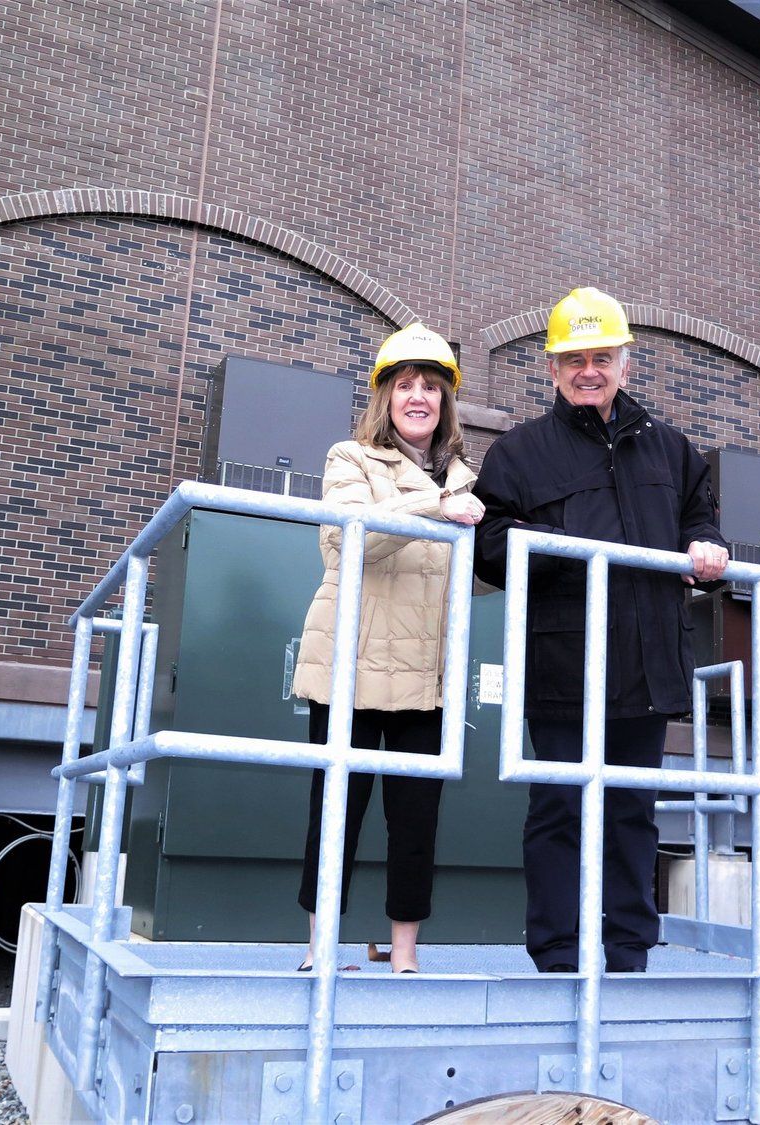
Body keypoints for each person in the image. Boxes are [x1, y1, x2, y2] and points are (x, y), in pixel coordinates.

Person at [472, 287, 729, 973]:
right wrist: (554, 544)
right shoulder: (519, 454)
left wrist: (707, 547)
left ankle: (627, 953)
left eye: (602, 357)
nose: (590, 369)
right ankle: (557, 952)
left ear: (625, 364)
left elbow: (701, 523)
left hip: (647, 669)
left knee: (631, 812)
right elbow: (488, 546)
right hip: (563, 665)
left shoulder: (673, 453)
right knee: (558, 808)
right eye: (574, 358)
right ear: (552, 369)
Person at [292, 323, 485, 974]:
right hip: (348, 661)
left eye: (431, 386)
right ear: (385, 396)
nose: (419, 396)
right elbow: (355, 541)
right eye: (405, 384)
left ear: (446, 402)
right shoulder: (350, 459)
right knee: (335, 813)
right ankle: (320, 949)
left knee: (415, 821)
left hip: (423, 671)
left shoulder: (462, 477)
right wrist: (437, 507)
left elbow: (472, 577)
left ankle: (404, 955)